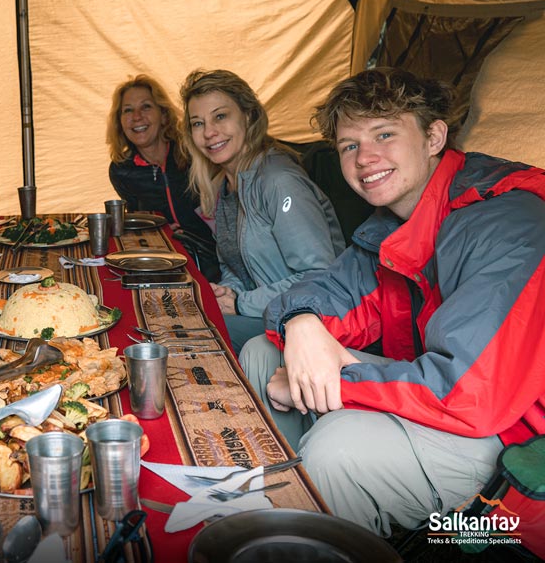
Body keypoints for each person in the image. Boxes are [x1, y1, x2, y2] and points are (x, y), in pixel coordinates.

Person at [240, 67, 545, 539]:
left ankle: (321, 516)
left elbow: (470, 394)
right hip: (453, 401)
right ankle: (289, 517)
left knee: (338, 449)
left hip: (519, 439)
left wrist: (337, 381)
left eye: (385, 134)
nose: (365, 157)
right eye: (349, 145)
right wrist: (302, 323)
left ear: (434, 137)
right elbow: (326, 295)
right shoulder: (394, 223)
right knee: (264, 353)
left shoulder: (507, 223)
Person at [181, 69, 344, 352]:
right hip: (265, 312)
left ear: (248, 115)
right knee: (175, 323)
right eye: (198, 123)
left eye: (220, 116)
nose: (209, 132)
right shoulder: (225, 186)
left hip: (309, 319)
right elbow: (235, 266)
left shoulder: (279, 180)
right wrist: (228, 291)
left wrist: (240, 303)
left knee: (193, 338)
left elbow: (319, 275)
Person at [107, 75, 220, 281]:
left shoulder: (194, 152)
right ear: (120, 121)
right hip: (169, 261)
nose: (137, 116)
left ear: (164, 116)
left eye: (146, 107)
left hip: (217, 257)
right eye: (128, 110)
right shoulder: (121, 171)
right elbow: (140, 225)